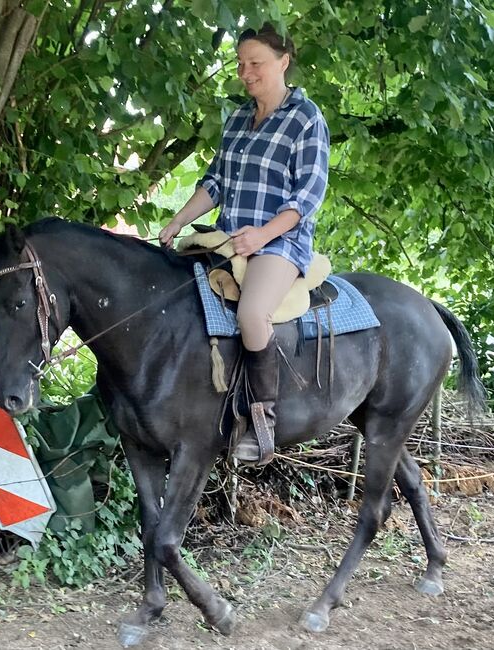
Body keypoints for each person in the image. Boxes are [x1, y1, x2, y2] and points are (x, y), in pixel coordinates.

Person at [159, 23, 330, 464]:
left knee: (253, 314)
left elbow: (307, 196)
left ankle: (262, 420)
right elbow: (215, 183)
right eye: (240, 64)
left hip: (280, 243)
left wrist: (263, 235)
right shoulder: (237, 118)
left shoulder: (306, 118)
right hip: (229, 236)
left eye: (255, 63)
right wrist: (177, 221)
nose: (245, 72)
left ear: (283, 62)